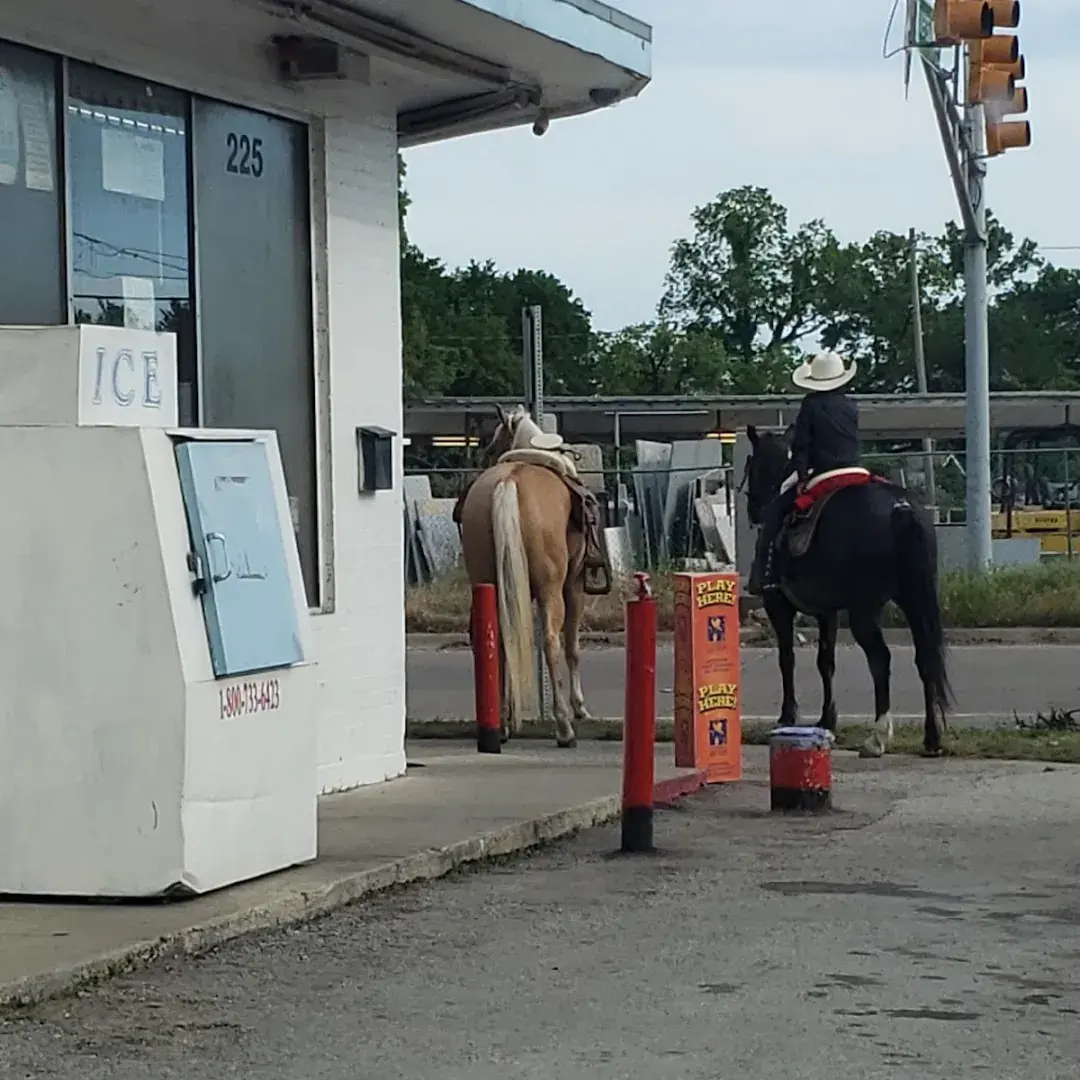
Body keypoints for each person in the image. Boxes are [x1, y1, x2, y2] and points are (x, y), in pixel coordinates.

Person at [747, 351, 861, 595]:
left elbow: (802, 446)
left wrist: (801, 476)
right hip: (856, 470)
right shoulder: (851, 404)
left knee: (776, 509)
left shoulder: (811, 404)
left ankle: (765, 574)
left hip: (824, 472)